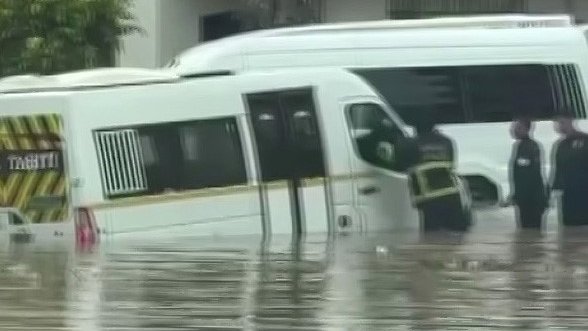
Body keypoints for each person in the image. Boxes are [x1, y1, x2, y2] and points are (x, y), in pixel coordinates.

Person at [405, 115, 470, 232]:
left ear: (415, 128)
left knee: (433, 239)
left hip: (429, 198)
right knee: (458, 236)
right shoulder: (447, 141)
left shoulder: (411, 144)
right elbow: (452, 164)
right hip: (452, 193)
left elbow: (403, 165)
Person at [505, 117, 547, 229]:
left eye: (518, 128)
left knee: (532, 232)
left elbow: (530, 175)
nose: (514, 130)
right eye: (513, 127)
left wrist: (520, 196)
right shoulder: (519, 146)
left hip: (532, 200)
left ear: (527, 129)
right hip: (525, 200)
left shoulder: (531, 147)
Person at [550, 113, 588, 226]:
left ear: (571, 121)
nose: (559, 126)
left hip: (584, 194)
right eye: (557, 123)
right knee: (569, 228)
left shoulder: (585, 140)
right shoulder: (560, 145)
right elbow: (558, 169)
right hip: (567, 197)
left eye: (562, 122)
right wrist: (554, 190)